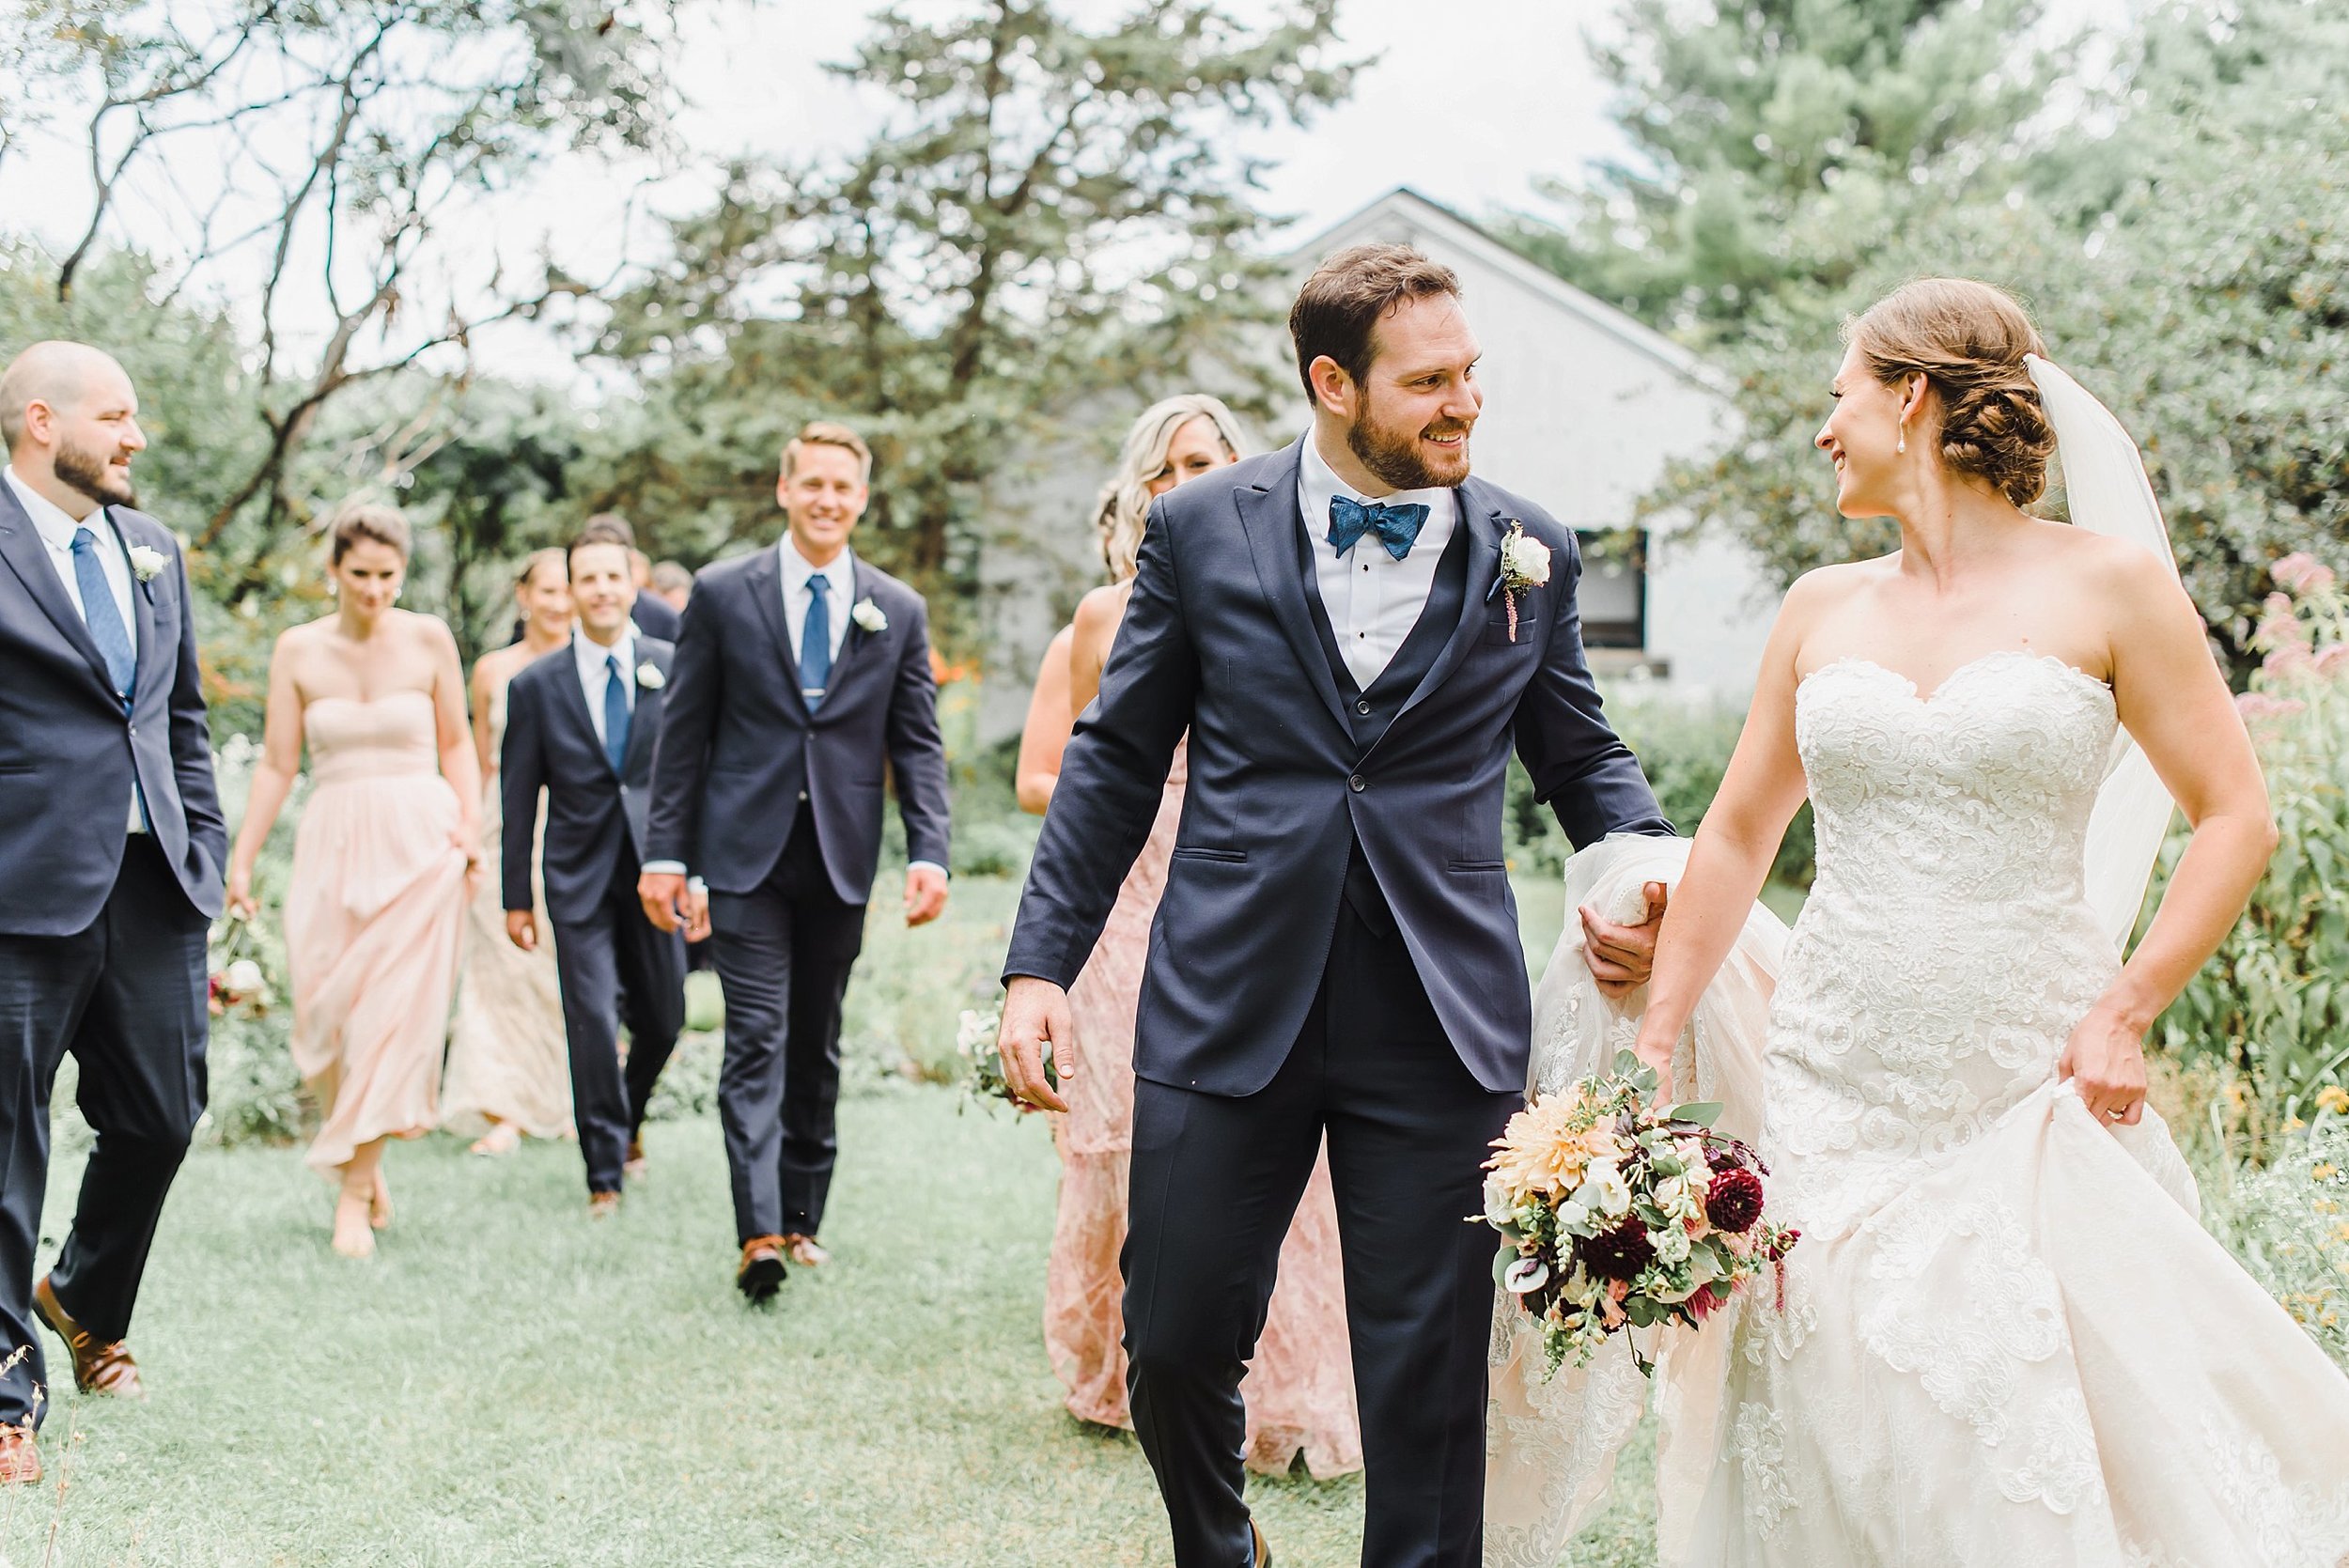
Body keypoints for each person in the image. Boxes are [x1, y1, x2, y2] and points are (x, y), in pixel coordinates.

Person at [1571, 278, 2349, 1565]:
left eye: (1840, 397)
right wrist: (1656, 1040)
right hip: (1835, 1068)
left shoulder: (2113, 588)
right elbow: (1739, 835)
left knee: (2003, 1417)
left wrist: (2128, 1004)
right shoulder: (1821, 607)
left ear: (1912, 397)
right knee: (1833, 1397)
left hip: (2023, 1077)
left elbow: (2236, 815)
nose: (1825, 431)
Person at [995, 246, 1672, 1568]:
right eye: (1427, 382)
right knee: (1176, 1338)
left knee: (1427, 1376)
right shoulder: (1201, 530)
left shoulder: (1529, 550)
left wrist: (1644, 875)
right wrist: (1039, 968)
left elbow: (1581, 754)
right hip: (1225, 995)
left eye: (1469, 374)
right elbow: (1118, 760)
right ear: (1331, 384)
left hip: (1439, 1015)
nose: (1462, 403)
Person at [1016, 395, 1361, 1476]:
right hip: (1128, 891)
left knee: (1264, 1129)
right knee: (1124, 1123)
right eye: (1167, 469)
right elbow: (1082, 770)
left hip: (1238, 887)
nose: (1186, 483)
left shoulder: (1275, 597)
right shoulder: (1103, 619)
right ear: (1139, 489)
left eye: (1207, 461)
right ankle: (1126, 1363)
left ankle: (1281, 1382)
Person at [642, 420, 952, 1303]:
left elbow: (918, 744)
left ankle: (806, 1217)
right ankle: (759, 1232)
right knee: (757, 1040)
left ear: (861, 499)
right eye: (810, 483)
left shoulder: (895, 607)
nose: (825, 499)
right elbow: (684, 734)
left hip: (842, 857)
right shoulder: (722, 592)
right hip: (743, 858)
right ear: (784, 490)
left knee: (816, 1041)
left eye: (841, 487)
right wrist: (667, 852)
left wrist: (927, 848)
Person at [0, 342, 224, 1483]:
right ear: (44, 420)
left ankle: (81, 1295)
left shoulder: (150, 549)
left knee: (165, 1116)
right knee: (6, 1139)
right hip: (18, 891)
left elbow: (180, 720)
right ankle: (5, 1389)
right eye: (118, 415)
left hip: (152, 890)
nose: (136, 437)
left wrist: (207, 856)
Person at [227, 505, 477, 1261]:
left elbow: (458, 742)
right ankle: (363, 1159)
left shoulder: (429, 637)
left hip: (420, 847)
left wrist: (469, 825)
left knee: (390, 1020)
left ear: (402, 573)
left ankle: (350, 1192)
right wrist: (243, 857)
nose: (374, 590)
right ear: (333, 570)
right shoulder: (298, 649)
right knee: (326, 1020)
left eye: (387, 575)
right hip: (332, 842)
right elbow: (276, 763)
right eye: (360, 574)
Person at [500, 534, 692, 1213]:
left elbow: (696, 777)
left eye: (613, 575)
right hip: (576, 878)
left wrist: (696, 872)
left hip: (657, 875)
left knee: (666, 1018)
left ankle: (628, 1118)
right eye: (588, 578)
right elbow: (518, 797)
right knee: (589, 1019)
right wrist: (514, 898)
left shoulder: (672, 666)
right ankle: (603, 1171)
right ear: (571, 591)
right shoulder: (535, 685)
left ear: (632, 582)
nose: (602, 588)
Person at [443, 549, 576, 1156]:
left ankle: (570, 1098)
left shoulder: (592, 663)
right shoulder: (493, 670)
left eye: (567, 589)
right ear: (524, 596)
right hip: (505, 823)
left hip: (576, 822)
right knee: (499, 966)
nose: (559, 601)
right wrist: (466, 829)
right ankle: (505, 1110)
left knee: (562, 965)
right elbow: (472, 752)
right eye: (547, 589)